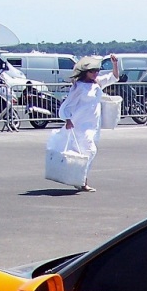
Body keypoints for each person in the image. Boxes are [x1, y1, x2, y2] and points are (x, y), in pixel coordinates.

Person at [58, 53, 119, 192]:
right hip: (80, 123)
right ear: (86, 72)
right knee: (90, 150)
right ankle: (81, 180)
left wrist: (115, 64)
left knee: (86, 152)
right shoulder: (79, 86)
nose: (95, 73)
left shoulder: (97, 83)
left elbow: (114, 77)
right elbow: (67, 104)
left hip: (94, 124)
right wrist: (67, 119)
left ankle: (81, 180)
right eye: (92, 71)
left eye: (97, 71)